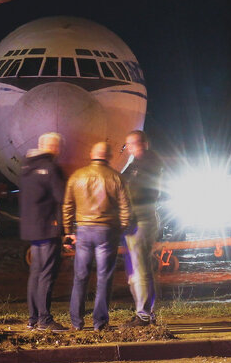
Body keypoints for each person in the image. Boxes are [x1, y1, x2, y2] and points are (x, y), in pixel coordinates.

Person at [63, 141, 131, 331]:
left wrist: (68, 231)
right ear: (109, 156)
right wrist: (120, 229)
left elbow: (67, 205)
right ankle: (99, 323)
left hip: (83, 231)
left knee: (80, 276)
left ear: (91, 154)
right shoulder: (116, 177)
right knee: (104, 276)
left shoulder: (77, 176)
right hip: (107, 231)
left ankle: (76, 322)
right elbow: (126, 208)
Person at [19, 133, 67, 331]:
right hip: (48, 228)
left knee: (36, 274)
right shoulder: (51, 168)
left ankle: (33, 318)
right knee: (47, 274)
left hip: (31, 229)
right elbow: (62, 197)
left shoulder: (26, 168)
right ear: (53, 147)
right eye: (57, 147)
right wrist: (65, 228)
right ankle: (45, 319)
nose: (58, 150)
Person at [120, 130, 165, 326]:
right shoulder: (140, 164)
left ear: (135, 144)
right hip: (137, 218)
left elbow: (134, 191)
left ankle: (144, 314)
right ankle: (143, 311)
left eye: (127, 145)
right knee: (137, 267)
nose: (126, 149)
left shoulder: (147, 163)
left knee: (141, 267)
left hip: (141, 219)